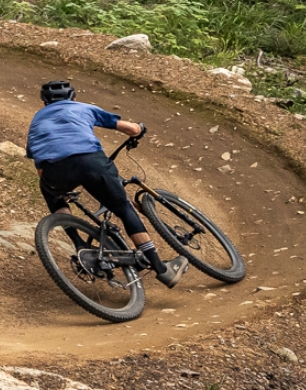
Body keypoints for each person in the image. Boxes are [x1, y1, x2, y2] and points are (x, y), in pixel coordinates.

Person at [28, 80, 187, 288]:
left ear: (44, 103)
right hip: (91, 161)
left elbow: (40, 166)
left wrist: (60, 188)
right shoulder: (83, 108)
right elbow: (129, 128)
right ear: (73, 97)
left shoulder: (36, 121)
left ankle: (79, 244)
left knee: (51, 193)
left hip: (55, 171)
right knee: (124, 208)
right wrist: (139, 128)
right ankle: (161, 269)